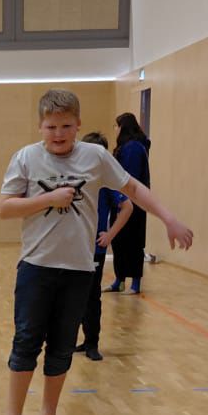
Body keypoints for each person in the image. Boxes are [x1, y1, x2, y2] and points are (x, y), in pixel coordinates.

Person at [0, 88, 193, 415]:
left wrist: (169, 218)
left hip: (80, 269)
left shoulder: (95, 156)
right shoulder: (26, 158)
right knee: (26, 343)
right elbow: (4, 208)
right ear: (40, 126)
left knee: (62, 346)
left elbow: (133, 189)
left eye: (66, 126)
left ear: (78, 124)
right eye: (51, 126)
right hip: (36, 267)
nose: (59, 133)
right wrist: (48, 199)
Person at [74, 133, 132, 361]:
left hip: (94, 250)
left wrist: (110, 234)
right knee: (73, 297)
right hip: (73, 248)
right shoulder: (77, 178)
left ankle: (92, 343)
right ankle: (76, 341)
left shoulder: (106, 183)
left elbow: (127, 207)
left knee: (91, 297)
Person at [108, 112, 152, 294]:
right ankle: (119, 280)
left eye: (117, 126)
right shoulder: (124, 147)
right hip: (120, 200)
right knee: (118, 240)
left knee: (133, 241)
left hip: (134, 203)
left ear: (123, 127)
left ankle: (135, 283)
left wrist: (122, 197)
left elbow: (129, 177)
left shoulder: (133, 148)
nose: (115, 129)